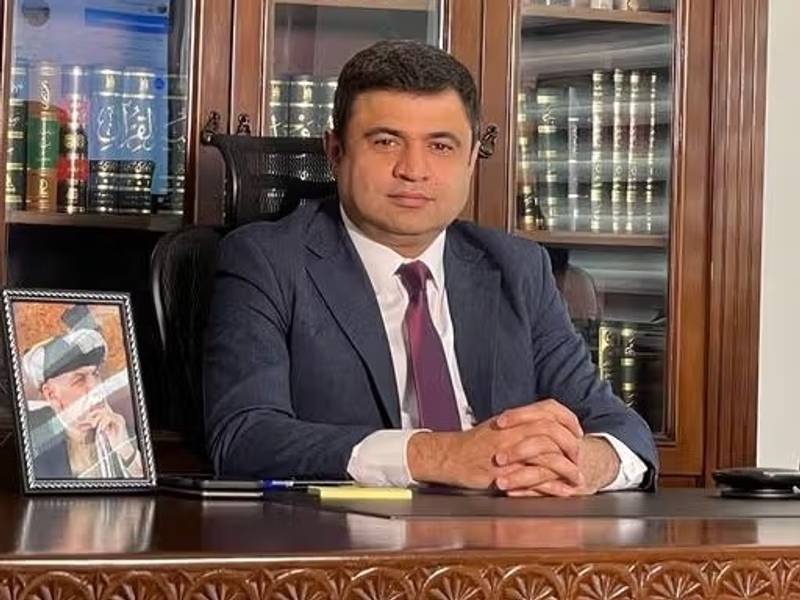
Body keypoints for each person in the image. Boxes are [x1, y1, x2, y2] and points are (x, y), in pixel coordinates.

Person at [204, 40, 658, 496]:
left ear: (471, 159)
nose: (414, 170)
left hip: (509, 525)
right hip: (348, 532)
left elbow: (622, 429)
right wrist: (442, 456)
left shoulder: (518, 267)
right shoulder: (267, 261)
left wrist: (583, 464)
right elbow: (243, 435)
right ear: (335, 151)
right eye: (385, 142)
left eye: (441, 146)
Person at [22, 327, 143, 480]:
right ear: (51, 394)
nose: (96, 387)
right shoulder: (33, 442)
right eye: (79, 380)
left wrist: (126, 451)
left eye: (95, 374)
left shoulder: (123, 430)